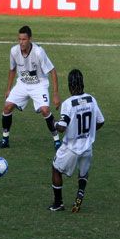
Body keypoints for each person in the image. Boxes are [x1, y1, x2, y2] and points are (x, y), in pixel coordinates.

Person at [0, 25, 61, 150]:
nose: (21, 42)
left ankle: (57, 141)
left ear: (30, 39)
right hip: (22, 84)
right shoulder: (14, 51)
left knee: (45, 110)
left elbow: (52, 71)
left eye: (24, 39)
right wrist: (8, 89)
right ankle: (5, 140)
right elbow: (12, 69)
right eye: (19, 39)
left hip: (39, 84)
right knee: (7, 106)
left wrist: (56, 94)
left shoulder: (38, 52)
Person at [48, 69, 105, 213]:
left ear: (69, 85)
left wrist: (52, 121)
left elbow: (61, 128)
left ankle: (58, 203)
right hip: (87, 148)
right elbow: (101, 121)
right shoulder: (92, 99)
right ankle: (80, 192)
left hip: (71, 148)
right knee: (83, 173)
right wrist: (88, 132)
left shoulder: (68, 104)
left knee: (56, 169)